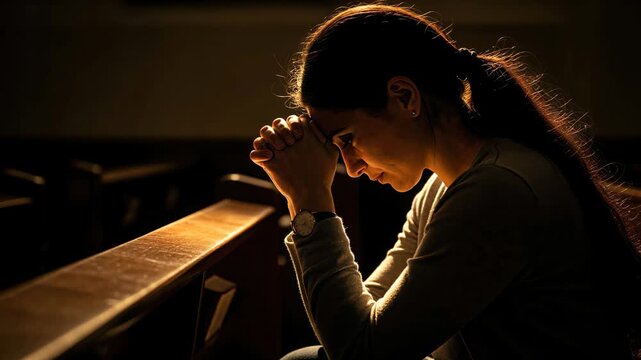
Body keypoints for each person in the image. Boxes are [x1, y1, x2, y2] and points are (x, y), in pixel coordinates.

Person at [249, 4, 641, 360]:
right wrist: (306, 196)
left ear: (404, 97)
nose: (351, 168)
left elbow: (362, 352)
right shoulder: (444, 187)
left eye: (347, 139)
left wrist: (309, 203)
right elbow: (368, 316)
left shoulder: (498, 190)